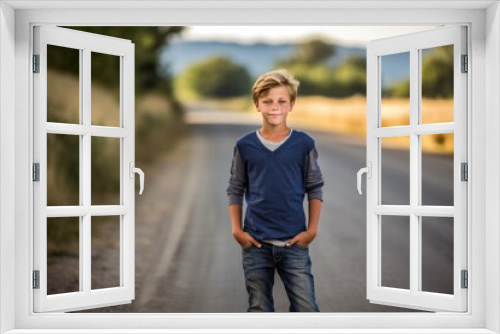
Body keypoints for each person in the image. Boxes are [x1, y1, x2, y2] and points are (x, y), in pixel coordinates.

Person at [226, 69, 324, 312]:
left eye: (281, 101)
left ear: (291, 104)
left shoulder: (304, 144)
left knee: (307, 310)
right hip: (256, 245)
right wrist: (237, 230)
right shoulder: (245, 145)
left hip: (294, 244)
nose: (274, 107)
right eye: (267, 101)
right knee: (260, 310)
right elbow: (235, 188)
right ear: (257, 105)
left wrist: (311, 230)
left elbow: (315, 187)